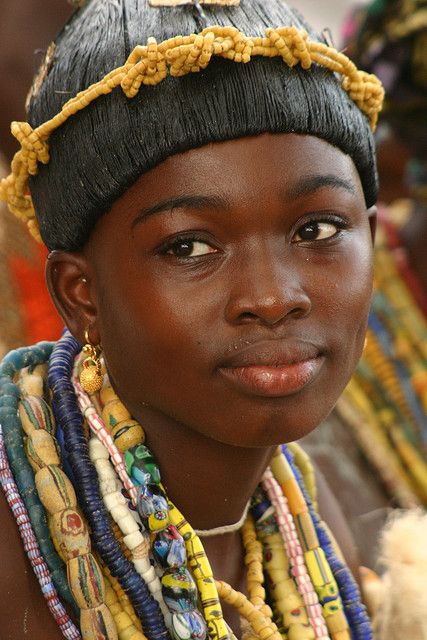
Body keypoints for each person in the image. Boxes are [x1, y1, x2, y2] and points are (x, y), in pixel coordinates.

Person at [0, 1, 384, 639]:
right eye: (190, 248)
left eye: (316, 229)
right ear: (82, 295)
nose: (273, 296)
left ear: (371, 238)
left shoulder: (305, 513)